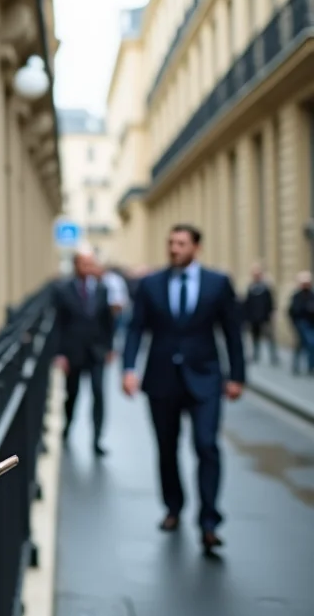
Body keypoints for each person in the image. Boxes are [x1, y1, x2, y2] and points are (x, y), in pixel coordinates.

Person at [121, 224, 244, 557]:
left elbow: (232, 331)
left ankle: (209, 522)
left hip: (205, 378)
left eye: (181, 243)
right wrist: (129, 369)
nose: (174, 248)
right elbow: (136, 329)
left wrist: (237, 376)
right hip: (161, 379)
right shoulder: (150, 284)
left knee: (206, 445)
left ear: (196, 247)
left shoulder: (218, 283)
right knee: (167, 448)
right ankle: (173, 508)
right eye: (170, 242)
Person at [52, 248, 115, 456]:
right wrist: (59, 354)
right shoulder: (63, 290)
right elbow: (58, 324)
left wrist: (110, 347)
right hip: (73, 352)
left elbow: (108, 321)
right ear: (75, 265)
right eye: (83, 264)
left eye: (90, 263)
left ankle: (97, 438)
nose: (87, 268)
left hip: (96, 352)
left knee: (99, 394)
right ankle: (67, 428)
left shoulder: (102, 289)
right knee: (73, 395)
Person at [241, 263, 278, 365]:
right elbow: (247, 304)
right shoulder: (251, 288)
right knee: (255, 338)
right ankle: (255, 355)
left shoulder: (265, 288)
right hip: (254, 318)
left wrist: (271, 314)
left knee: (270, 338)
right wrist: (246, 317)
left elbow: (270, 303)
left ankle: (273, 356)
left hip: (265, 317)